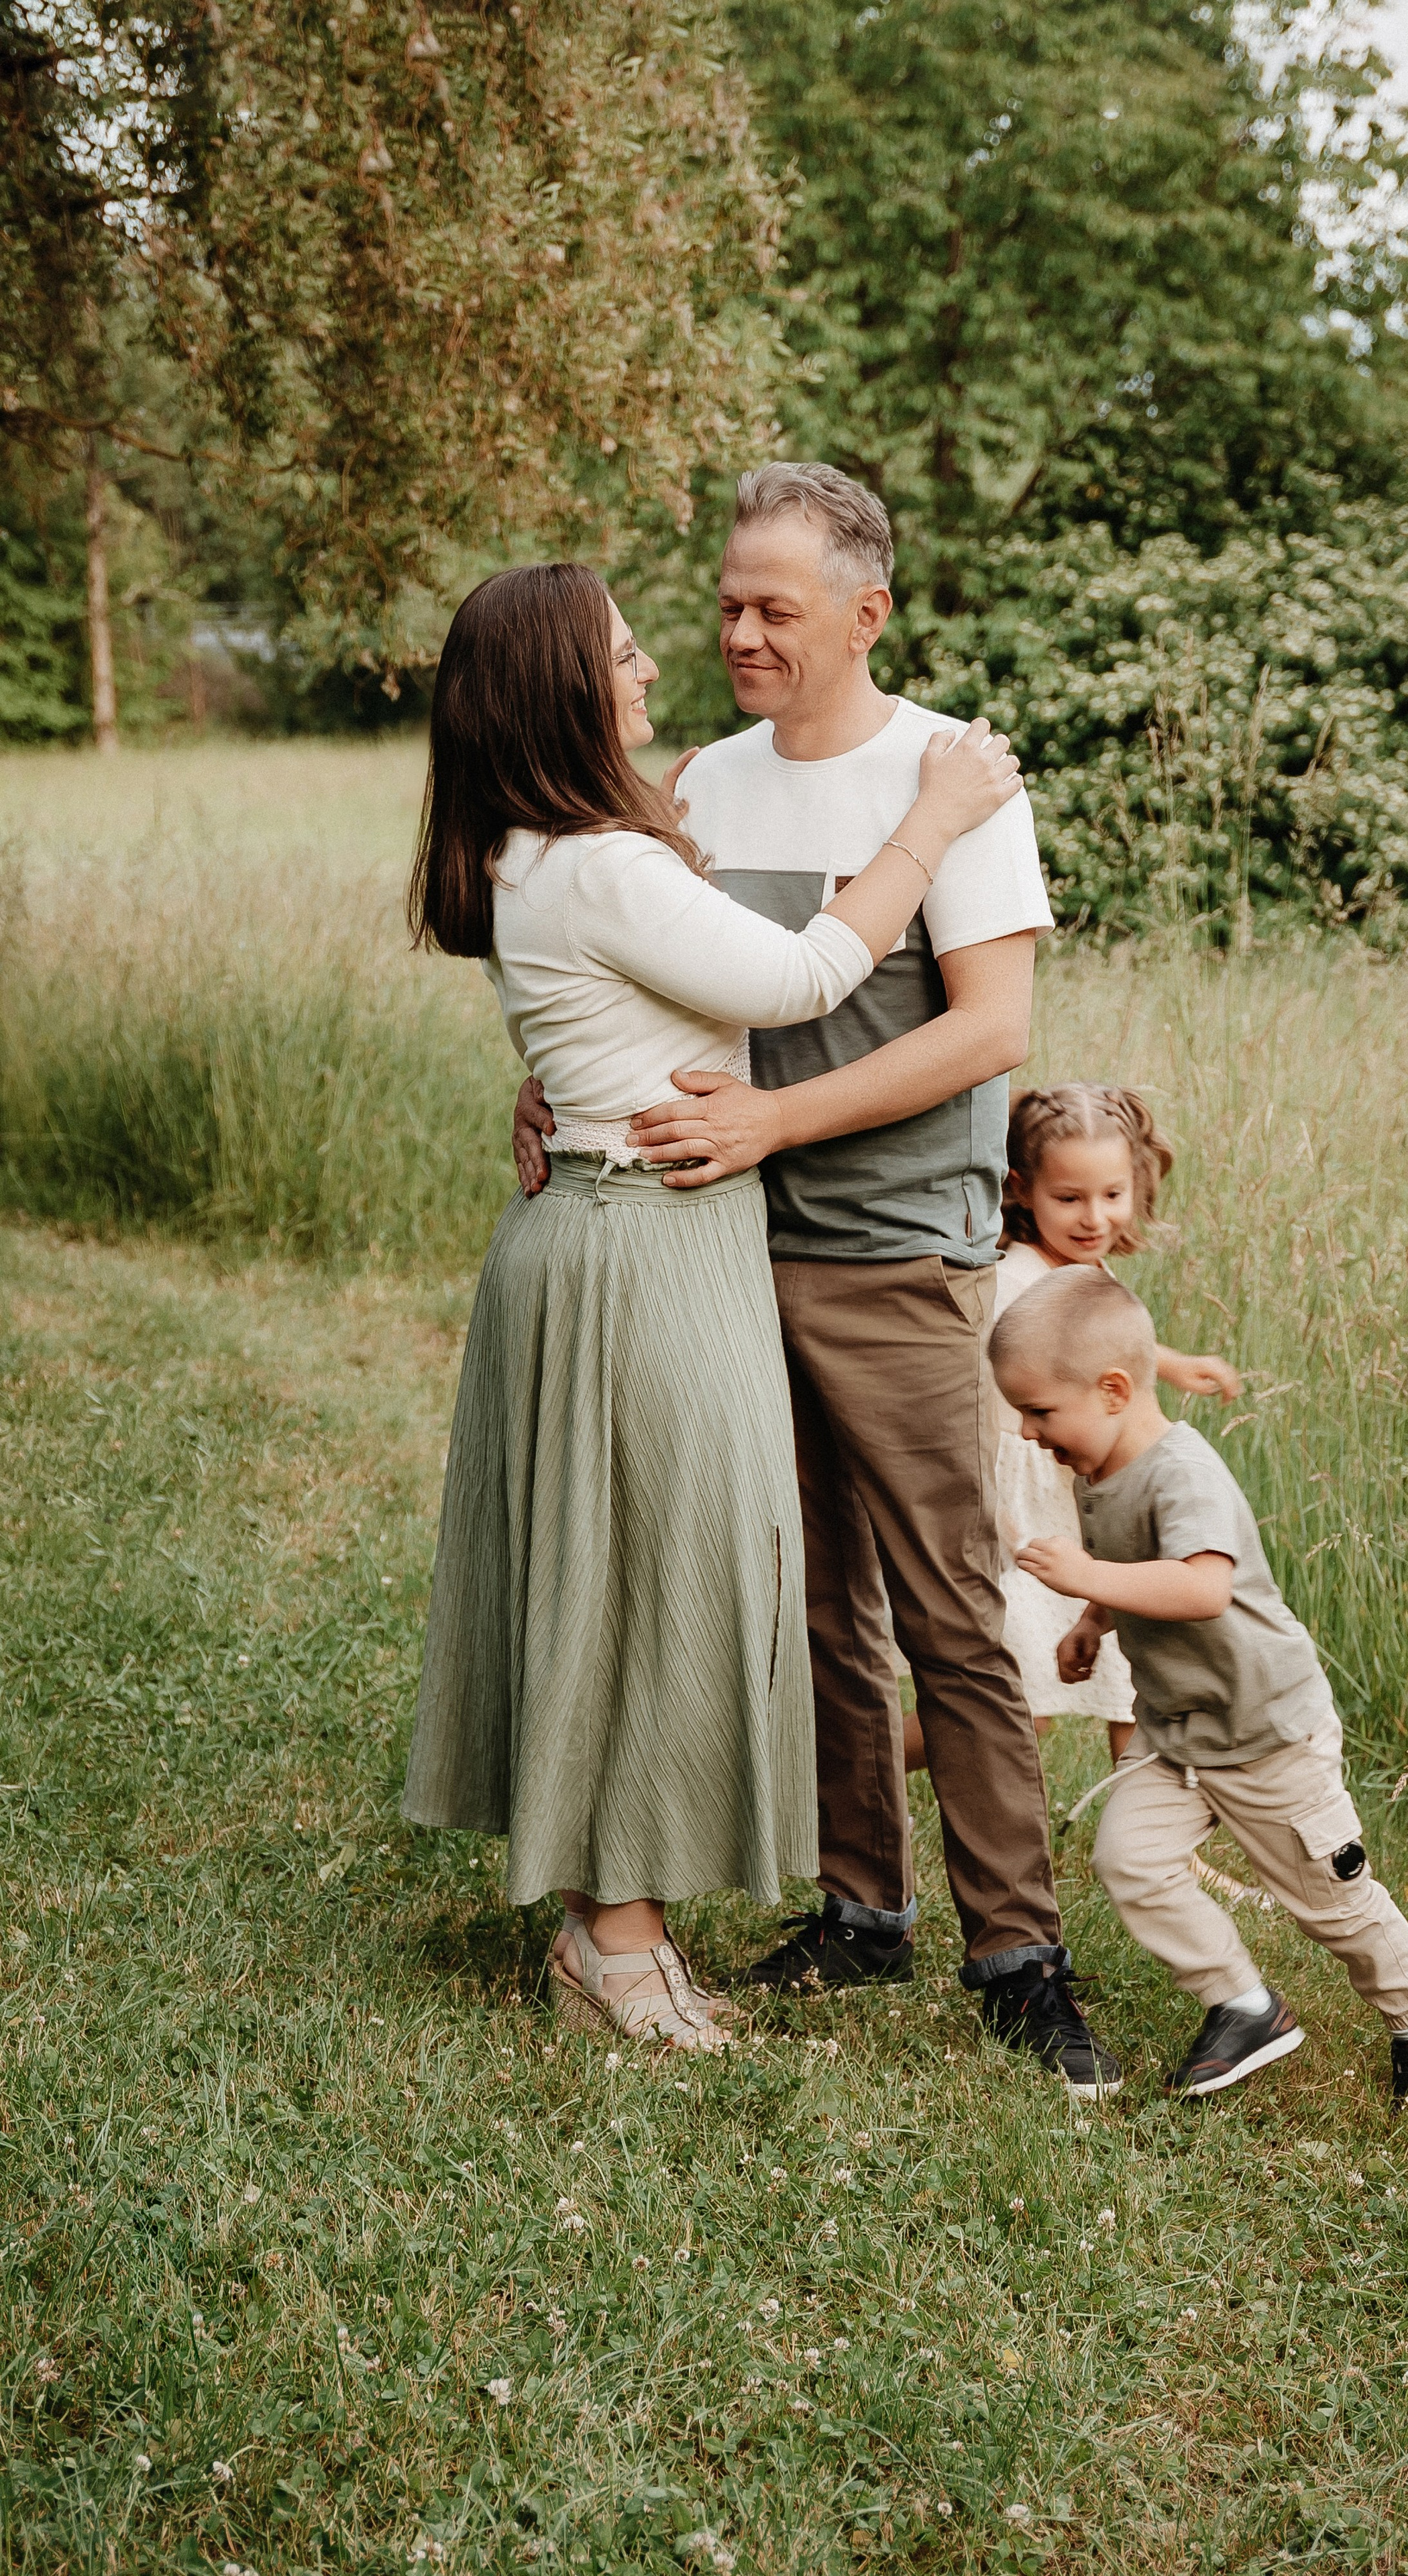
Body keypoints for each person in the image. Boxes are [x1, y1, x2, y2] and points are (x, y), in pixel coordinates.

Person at [513, 462, 1120, 2100]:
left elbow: (988, 1032)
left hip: (893, 1248)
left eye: (774, 606)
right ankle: (861, 1907)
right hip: (714, 1249)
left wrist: (778, 1116)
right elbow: (655, 974)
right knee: (805, 1603)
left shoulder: (947, 781)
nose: (739, 631)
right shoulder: (697, 783)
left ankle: (1019, 1957)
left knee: (948, 1606)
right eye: (723, 602)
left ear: (869, 610)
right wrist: (560, 1092)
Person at [402, 559, 1023, 2054]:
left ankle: (611, 1922)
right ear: (561, 685)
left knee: (626, 1569)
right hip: (643, 1243)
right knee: (653, 1579)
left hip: (618, 1225)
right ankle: (618, 1943)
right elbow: (803, 977)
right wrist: (933, 819)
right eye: (619, 656)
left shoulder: (552, 849)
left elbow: (609, 1010)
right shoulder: (595, 861)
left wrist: (571, 1078)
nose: (650, 671)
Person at [991, 1265, 1408, 2110]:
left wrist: (1083, 1574)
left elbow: (1201, 1586)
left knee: (1330, 1900)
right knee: (1128, 1860)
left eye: (1038, 1411)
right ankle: (1244, 2005)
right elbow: (1145, 1575)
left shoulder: (1183, 1471)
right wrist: (1093, 1620)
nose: (1028, 1433)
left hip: (1265, 1734)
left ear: (1111, 1390)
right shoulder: (1097, 1470)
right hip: (1178, 1732)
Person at [900, 1081, 1239, 1773]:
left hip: (1086, 1497)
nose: (1093, 1218)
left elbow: (1095, 1354)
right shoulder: (1012, 1280)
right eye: (1069, 1199)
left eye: (1111, 1195)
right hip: (1023, 1509)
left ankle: (1157, 1841)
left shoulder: (1086, 1268)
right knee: (1019, 1699)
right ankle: (854, 1765)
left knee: (1130, 1678)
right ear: (1021, 1189)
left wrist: (1169, 1365)